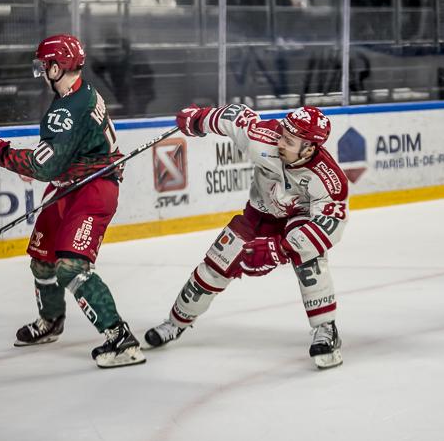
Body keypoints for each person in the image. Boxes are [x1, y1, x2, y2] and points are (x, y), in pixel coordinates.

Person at [0, 34, 145, 369]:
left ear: (57, 66)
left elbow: (44, 166)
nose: (41, 71)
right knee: (42, 261)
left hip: (92, 190)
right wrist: (39, 163)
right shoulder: (79, 92)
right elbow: (55, 160)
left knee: (71, 267)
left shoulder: (66, 109)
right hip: (68, 186)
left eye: (44, 65)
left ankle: (122, 341)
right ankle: (51, 321)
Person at [144, 104, 348, 369]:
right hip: (259, 213)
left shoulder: (329, 179)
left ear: (309, 148)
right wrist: (199, 119)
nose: (281, 142)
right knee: (217, 264)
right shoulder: (262, 136)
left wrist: (280, 248)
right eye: (283, 133)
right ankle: (175, 323)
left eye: (289, 140)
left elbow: (328, 225)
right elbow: (233, 118)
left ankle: (326, 330)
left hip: (299, 218)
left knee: (309, 260)